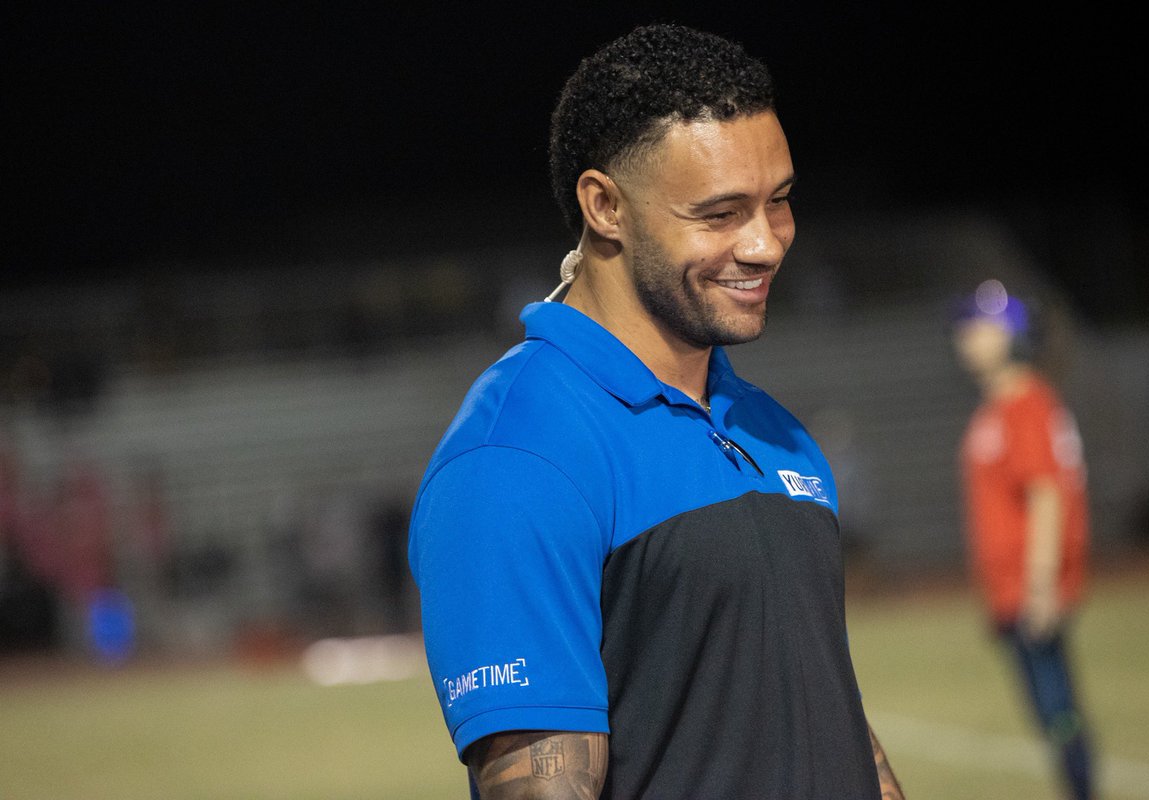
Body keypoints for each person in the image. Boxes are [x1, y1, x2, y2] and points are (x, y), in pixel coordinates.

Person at [409, 24, 904, 800]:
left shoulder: (776, 432)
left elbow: (833, 722)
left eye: (779, 202)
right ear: (605, 206)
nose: (767, 243)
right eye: (721, 213)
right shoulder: (515, 458)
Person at [952, 279, 1095, 800]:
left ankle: (1082, 790)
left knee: (1058, 712)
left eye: (980, 325)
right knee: (1048, 711)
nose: (966, 336)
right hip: (1009, 591)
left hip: (1030, 590)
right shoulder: (997, 406)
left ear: (1010, 334)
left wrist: (1040, 587)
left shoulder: (1026, 404)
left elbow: (1047, 497)